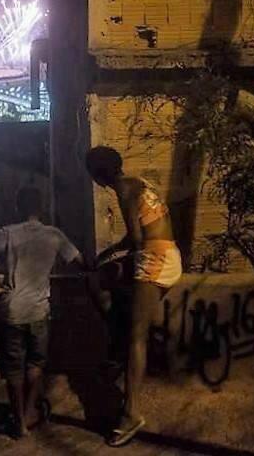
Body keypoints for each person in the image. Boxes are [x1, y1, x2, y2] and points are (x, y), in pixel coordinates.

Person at [85, 146, 182, 447]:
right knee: (100, 280)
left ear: (97, 176)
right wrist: (112, 253)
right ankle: (116, 352)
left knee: (135, 338)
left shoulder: (123, 191)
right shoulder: (137, 182)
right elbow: (138, 233)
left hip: (155, 259)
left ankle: (131, 413)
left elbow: (137, 240)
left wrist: (115, 256)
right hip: (167, 253)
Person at [0, 186, 82, 438]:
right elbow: (79, 261)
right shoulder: (53, 235)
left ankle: (18, 421)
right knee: (36, 363)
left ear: (18, 207)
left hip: (12, 309)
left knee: (13, 368)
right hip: (38, 310)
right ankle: (28, 413)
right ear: (41, 208)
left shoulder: (8, 232)